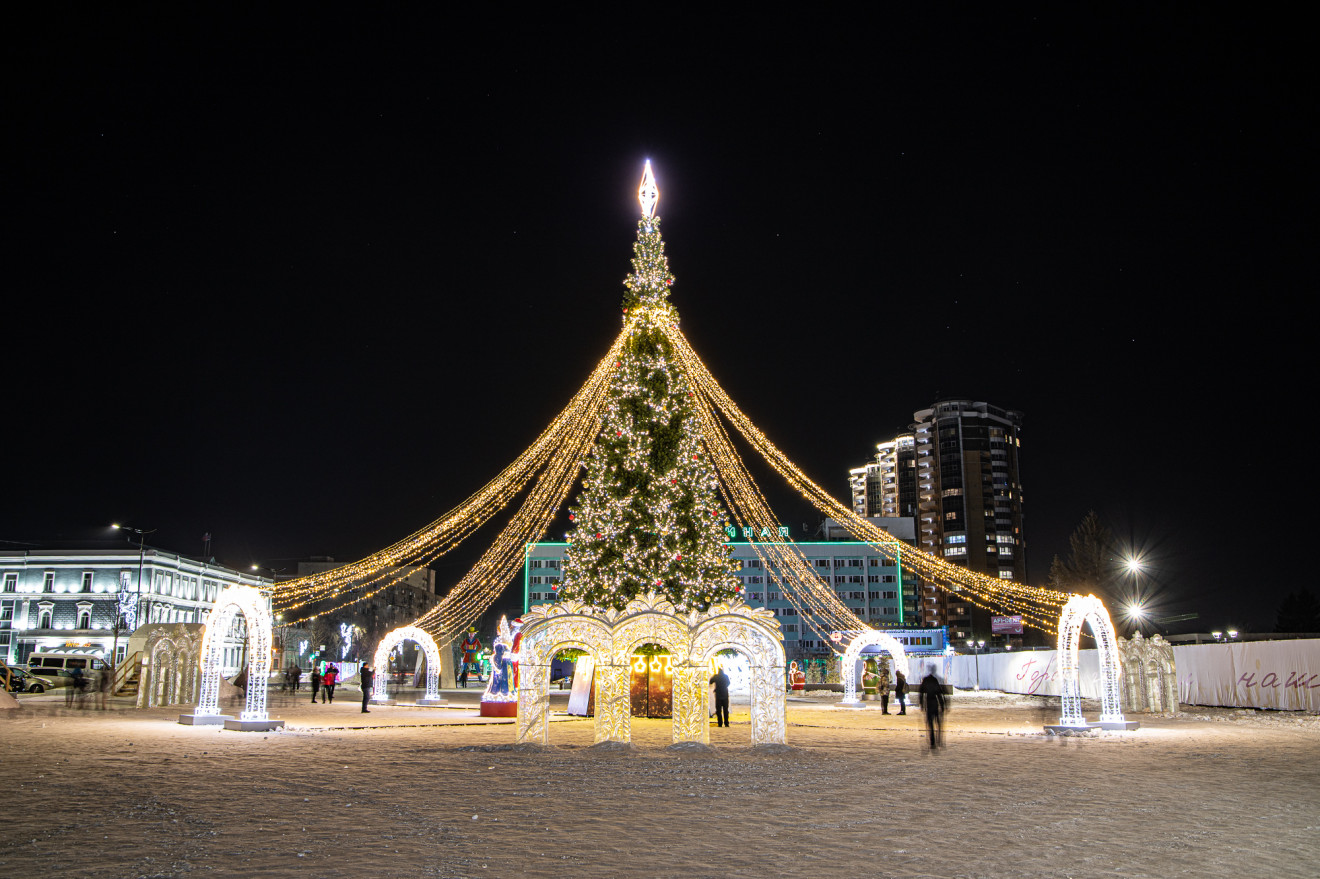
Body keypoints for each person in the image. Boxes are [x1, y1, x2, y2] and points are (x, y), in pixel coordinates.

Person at [918, 666, 947, 749]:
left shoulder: (925, 680)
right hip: (935, 703)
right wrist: (942, 705)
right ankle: (939, 740)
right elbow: (939, 693)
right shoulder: (934, 680)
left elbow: (921, 693)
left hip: (929, 704)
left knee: (930, 724)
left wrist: (922, 704)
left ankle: (932, 742)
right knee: (938, 723)